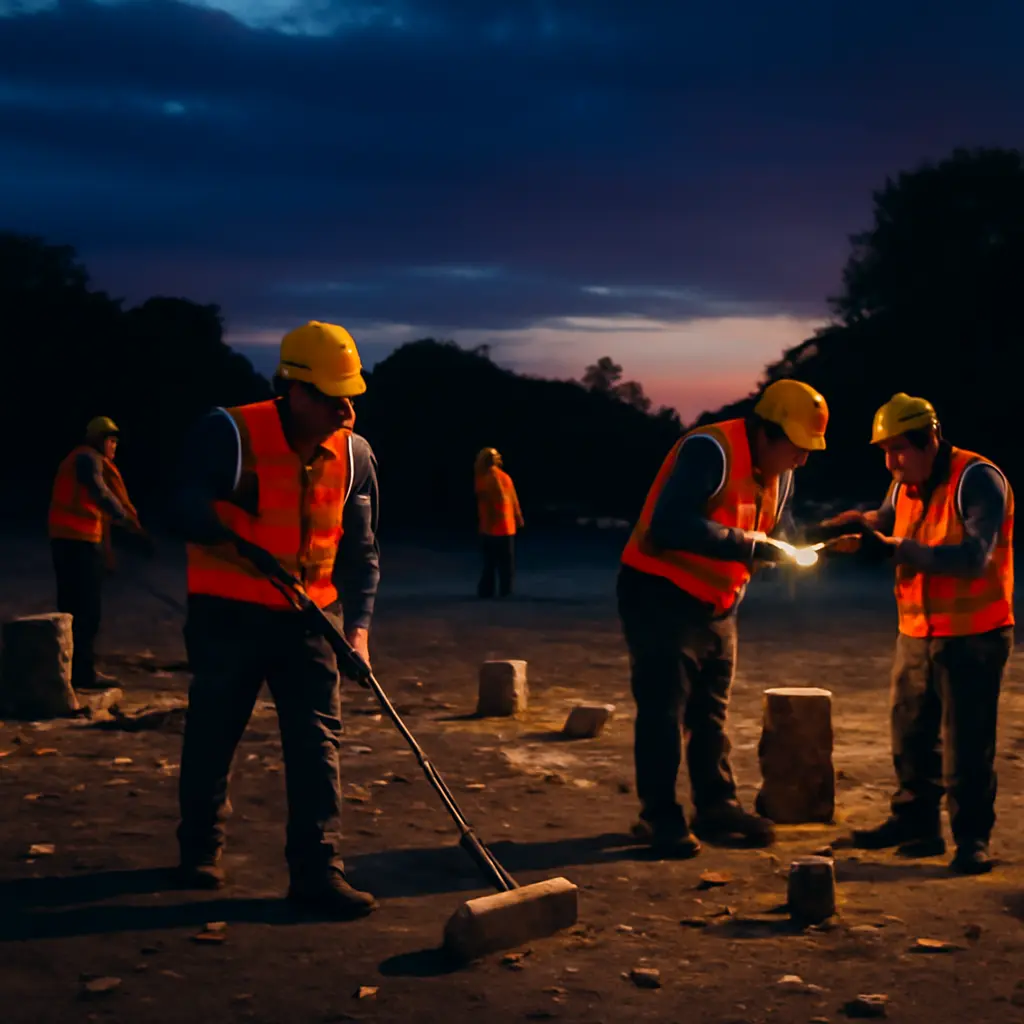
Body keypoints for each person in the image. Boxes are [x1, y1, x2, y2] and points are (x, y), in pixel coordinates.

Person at [169, 320, 381, 918]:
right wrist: (233, 540)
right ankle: (199, 850)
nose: (347, 408)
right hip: (228, 615)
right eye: (334, 396)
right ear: (293, 390)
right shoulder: (228, 433)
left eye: (352, 395)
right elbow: (180, 504)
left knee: (318, 742)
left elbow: (363, 555)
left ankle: (318, 872)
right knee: (214, 730)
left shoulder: (356, 456)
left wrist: (357, 632)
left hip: (312, 619)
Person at [618, 379, 829, 856]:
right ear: (766, 433)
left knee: (709, 714)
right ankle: (660, 816)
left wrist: (820, 540)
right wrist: (751, 546)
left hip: (718, 603)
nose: (803, 459)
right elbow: (669, 524)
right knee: (663, 712)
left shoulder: (781, 471)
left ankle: (716, 805)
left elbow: (778, 528)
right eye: (797, 448)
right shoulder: (709, 450)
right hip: (660, 594)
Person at [812, 393, 1013, 875]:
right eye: (884, 451)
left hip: (974, 632)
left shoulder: (978, 478)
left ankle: (972, 840)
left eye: (899, 449)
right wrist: (858, 525)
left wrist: (897, 548)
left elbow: (973, 557)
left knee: (967, 744)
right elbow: (887, 519)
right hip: (917, 629)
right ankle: (916, 825)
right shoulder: (904, 481)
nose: (891, 461)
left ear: (931, 441)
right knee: (911, 733)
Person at [48, 416, 144, 690]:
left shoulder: (79, 458)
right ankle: (83, 674)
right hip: (77, 545)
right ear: (99, 440)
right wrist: (122, 516)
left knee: (74, 609)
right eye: (111, 441)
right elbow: (99, 491)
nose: (114, 447)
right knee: (86, 612)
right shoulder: (87, 459)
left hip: (71, 543)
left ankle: (72, 670)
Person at [474, 447, 524, 598]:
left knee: (490, 562)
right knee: (506, 563)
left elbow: (495, 501)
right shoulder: (505, 477)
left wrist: (486, 524)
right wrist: (518, 518)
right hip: (507, 527)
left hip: (492, 527)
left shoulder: (484, 478)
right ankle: (505, 590)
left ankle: (487, 591)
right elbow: (513, 500)